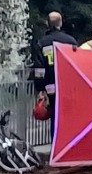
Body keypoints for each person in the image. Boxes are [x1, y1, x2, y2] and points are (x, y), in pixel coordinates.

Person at [32, 12, 78, 141]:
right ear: (61, 23)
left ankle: (55, 147)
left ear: (48, 24)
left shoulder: (42, 43)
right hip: (69, 88)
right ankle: (69, 146)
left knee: (55, 117)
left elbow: (39, 70)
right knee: (69, 117)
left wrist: (40, 90)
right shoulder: (71, 41)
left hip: (51, 88)